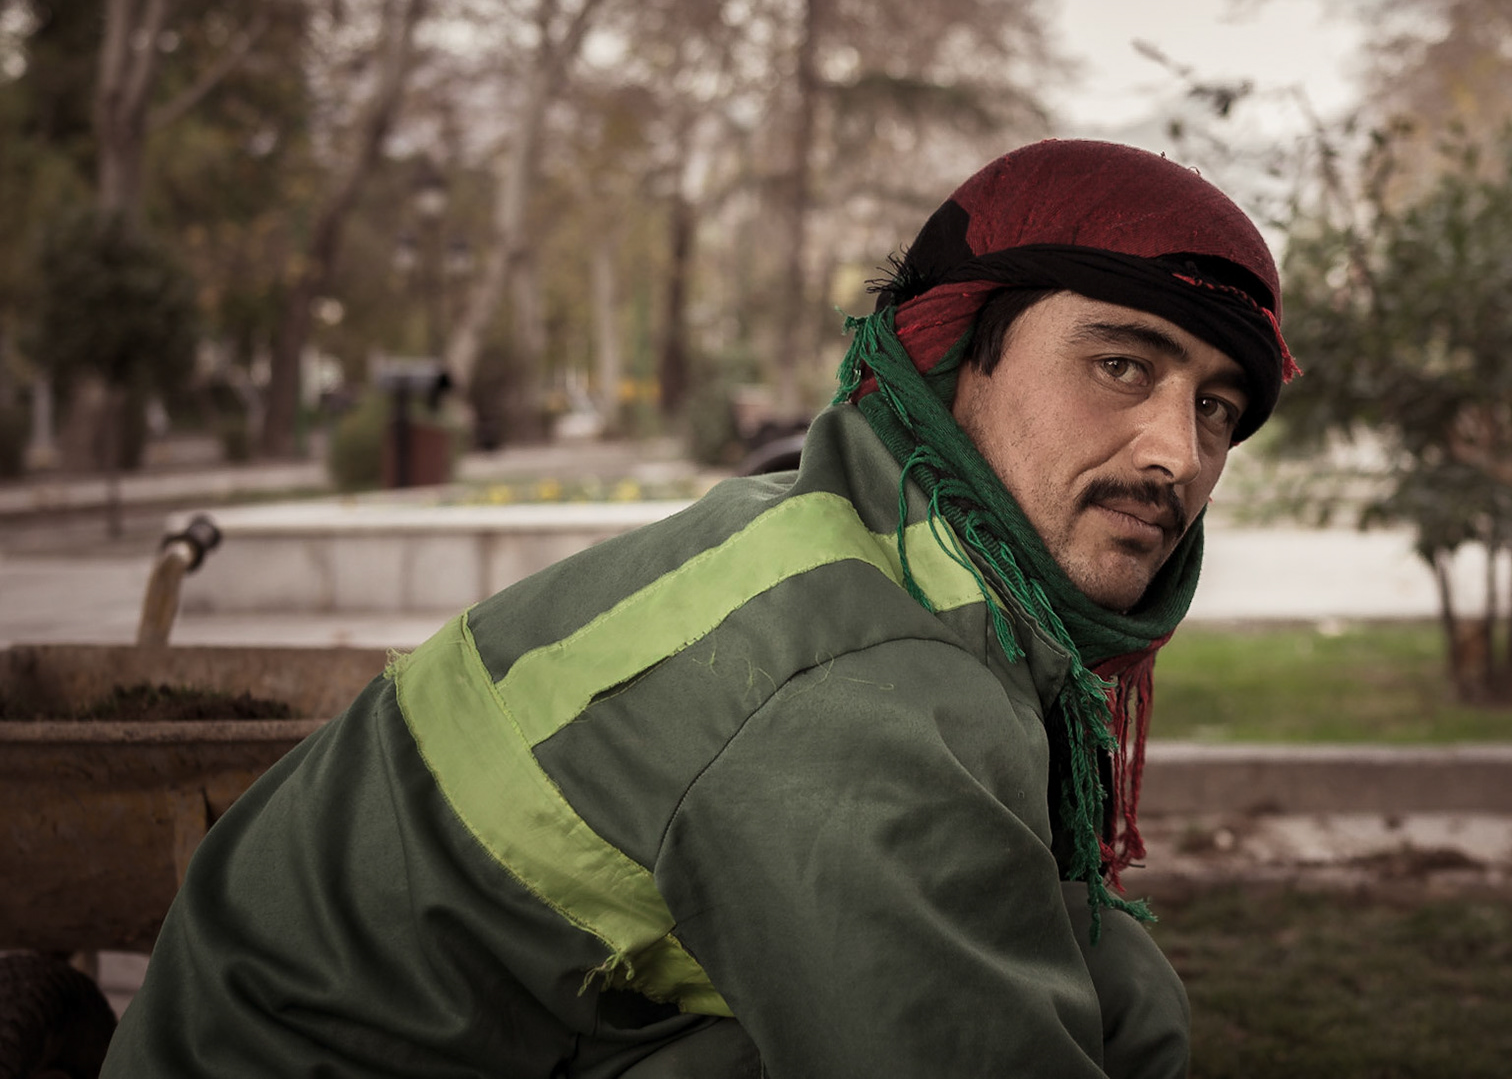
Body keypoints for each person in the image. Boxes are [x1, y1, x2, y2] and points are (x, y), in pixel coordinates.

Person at [102, 139, 1296, 1078]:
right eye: (1123, 365)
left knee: (1111, 987)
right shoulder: (860, 682)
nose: (1176, 456)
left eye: (1216, 408)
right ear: (957, 354)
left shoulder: (871, 543)